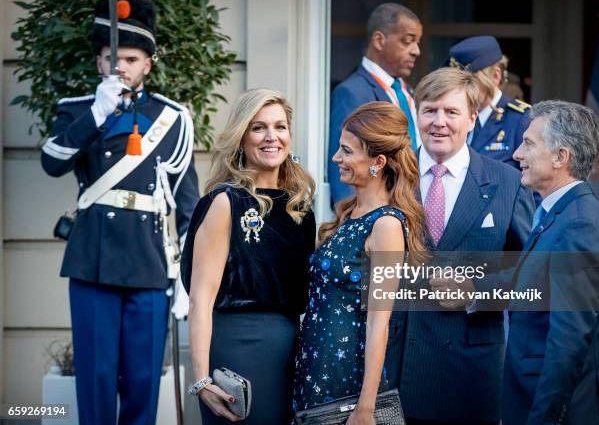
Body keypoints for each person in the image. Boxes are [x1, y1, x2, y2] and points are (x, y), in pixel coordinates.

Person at [40, 0, 199, 424]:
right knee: (94, 377)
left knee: (143, 380)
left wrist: (187, 278)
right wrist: (97, 112)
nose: (121, 67)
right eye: (113, 58)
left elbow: (187, 202)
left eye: (131, 59)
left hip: (148, 264)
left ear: (148, 63)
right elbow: (52, 162)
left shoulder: (173, 118)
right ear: (99, 62)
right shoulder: (76, 111)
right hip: (93, 259)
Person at [384, 68, 534, 424]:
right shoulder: (389, 177)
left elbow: (534, 275)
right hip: (395, 369)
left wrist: (475, 291)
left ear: (471, 118)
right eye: (430, 110)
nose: (439, 122)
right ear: (415, 115)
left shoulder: (507, 182)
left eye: (451, 112)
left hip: (471, 375)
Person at [181, 88, 316, 424]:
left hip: (291, 351)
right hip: (237, 348)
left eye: (280, 127)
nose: (272, 137)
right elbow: (200, 299)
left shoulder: (300, 208)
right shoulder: (226, 202)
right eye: (258, 128)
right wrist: (201, 380)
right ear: (242, 138)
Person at [294, 102, 426, 424]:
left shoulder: (387, 226)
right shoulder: (347, 214)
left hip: (347, 379)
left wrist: (366, 406)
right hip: (315, 365)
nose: (336, 158)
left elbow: (379, 323)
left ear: (377, 163)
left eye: (346, 151)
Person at [503, 101, 599, 425]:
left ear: (560, 157)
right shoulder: (561, 212)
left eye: (528, 144)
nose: (517, 154)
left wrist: (544, 418)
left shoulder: (581, 224)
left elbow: (569, 340)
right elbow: (534, 280)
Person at [329, 3, 423, 207]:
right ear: (379, 40)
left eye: (417, 42)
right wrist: (351, 223)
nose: (417, 51)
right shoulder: (351, 92)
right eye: (407, 41)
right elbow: (343, 169)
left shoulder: (409, 91)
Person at [447, 35, 531, 170]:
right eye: (456, 83)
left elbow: (536, 183)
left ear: (495, 77)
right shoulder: (453, 117)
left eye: (470, 81)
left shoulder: (521, 119)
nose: (461, 89)